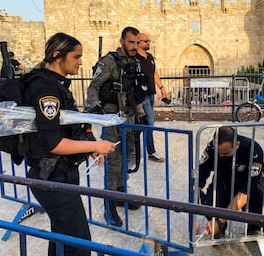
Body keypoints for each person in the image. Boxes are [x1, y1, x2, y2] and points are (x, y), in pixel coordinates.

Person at [24, 32, 116, 256]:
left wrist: (91, 142)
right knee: (79, 244)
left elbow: (70, 124)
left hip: (60, 173)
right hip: (51, 177)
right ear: (58, 56)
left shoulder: (56, 84)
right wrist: (95, 147)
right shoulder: (46, 89)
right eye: (76, 56)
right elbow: (52, 142)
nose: (81, 62)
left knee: (62, 237)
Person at [86, 26, 145, 227]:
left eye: (137, 43)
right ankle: (109, 205)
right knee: (113, 161)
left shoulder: (135, 63)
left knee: (127, 157)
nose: (135, 46)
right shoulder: (109, 61)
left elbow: (133, 92)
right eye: (131, 42)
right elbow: (93, 86)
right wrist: (94, 106)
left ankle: (121, 194)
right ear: (122, 42)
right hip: (111, 118)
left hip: (128, 117)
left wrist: (141, 115)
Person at [198, 126, 264, 237]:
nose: (221, 156)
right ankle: (218, 229)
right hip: (224, 183)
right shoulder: (211, 147)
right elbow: (197, 182)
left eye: (225, 154)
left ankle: (253, 225)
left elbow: (245, 192)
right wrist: (193, 216)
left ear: (237, 145)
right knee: (210, 203)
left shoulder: (253, 149)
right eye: (219, 153)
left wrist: (220, 221)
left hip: (249, 186)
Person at [136, 32, 168, 162]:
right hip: (141, 96)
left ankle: (141, 149)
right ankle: (151, 152)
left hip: (150, 94)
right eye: (146, 41)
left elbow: (154, 72)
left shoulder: (149, 57)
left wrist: (162, 88)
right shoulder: (135, 59)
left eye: (149, 41)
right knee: (150, 122)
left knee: (145, 123)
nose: (148, 43)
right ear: (138, 43)